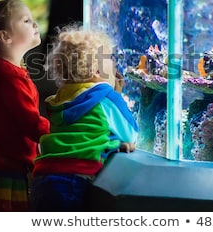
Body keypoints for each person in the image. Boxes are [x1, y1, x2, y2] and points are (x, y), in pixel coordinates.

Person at [30, 25, 138, 211]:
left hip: (43, 173)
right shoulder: (105, 96)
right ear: (97, 71)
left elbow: (81, 131)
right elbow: (131, 134)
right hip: (77, 175)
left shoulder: (59, 98)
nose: (114, 66)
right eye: (110, 60)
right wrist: (117, 96)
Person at [0, 0, 50, 211]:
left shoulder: (5, 71)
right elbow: (31, 123)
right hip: (4, 172)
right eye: (26, 20)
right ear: (5, 36)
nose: (35, 24)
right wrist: (62, 130)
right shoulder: (9, 77)